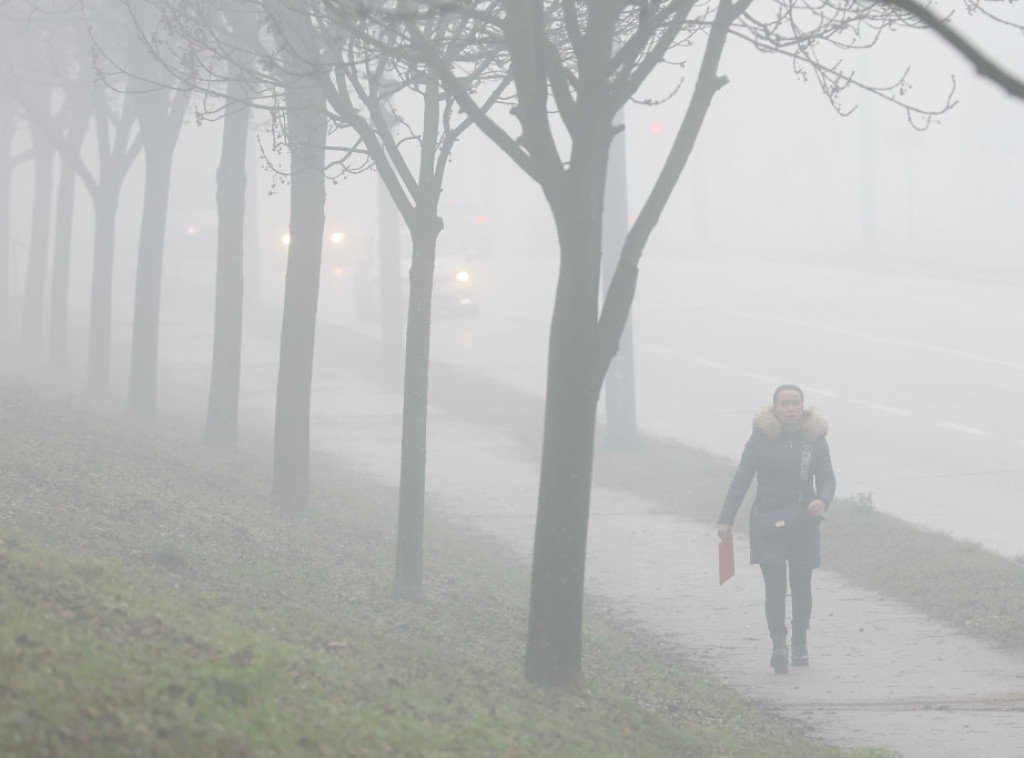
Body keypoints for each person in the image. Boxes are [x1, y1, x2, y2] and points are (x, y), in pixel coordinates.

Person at [717, 384, 836, 674]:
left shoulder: (814, 440)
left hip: (803, 524)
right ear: (775, 408)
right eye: (784, 403)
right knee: (775, 587)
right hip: (767, 522)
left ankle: (799, 644)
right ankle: (778, 645)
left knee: (801, 585)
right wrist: (726, 519)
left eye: (795, 403)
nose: (790, 408)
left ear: (803, 407)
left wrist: (822, 500)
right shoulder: (761, 439)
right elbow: (741, 479)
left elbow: (828, 479)